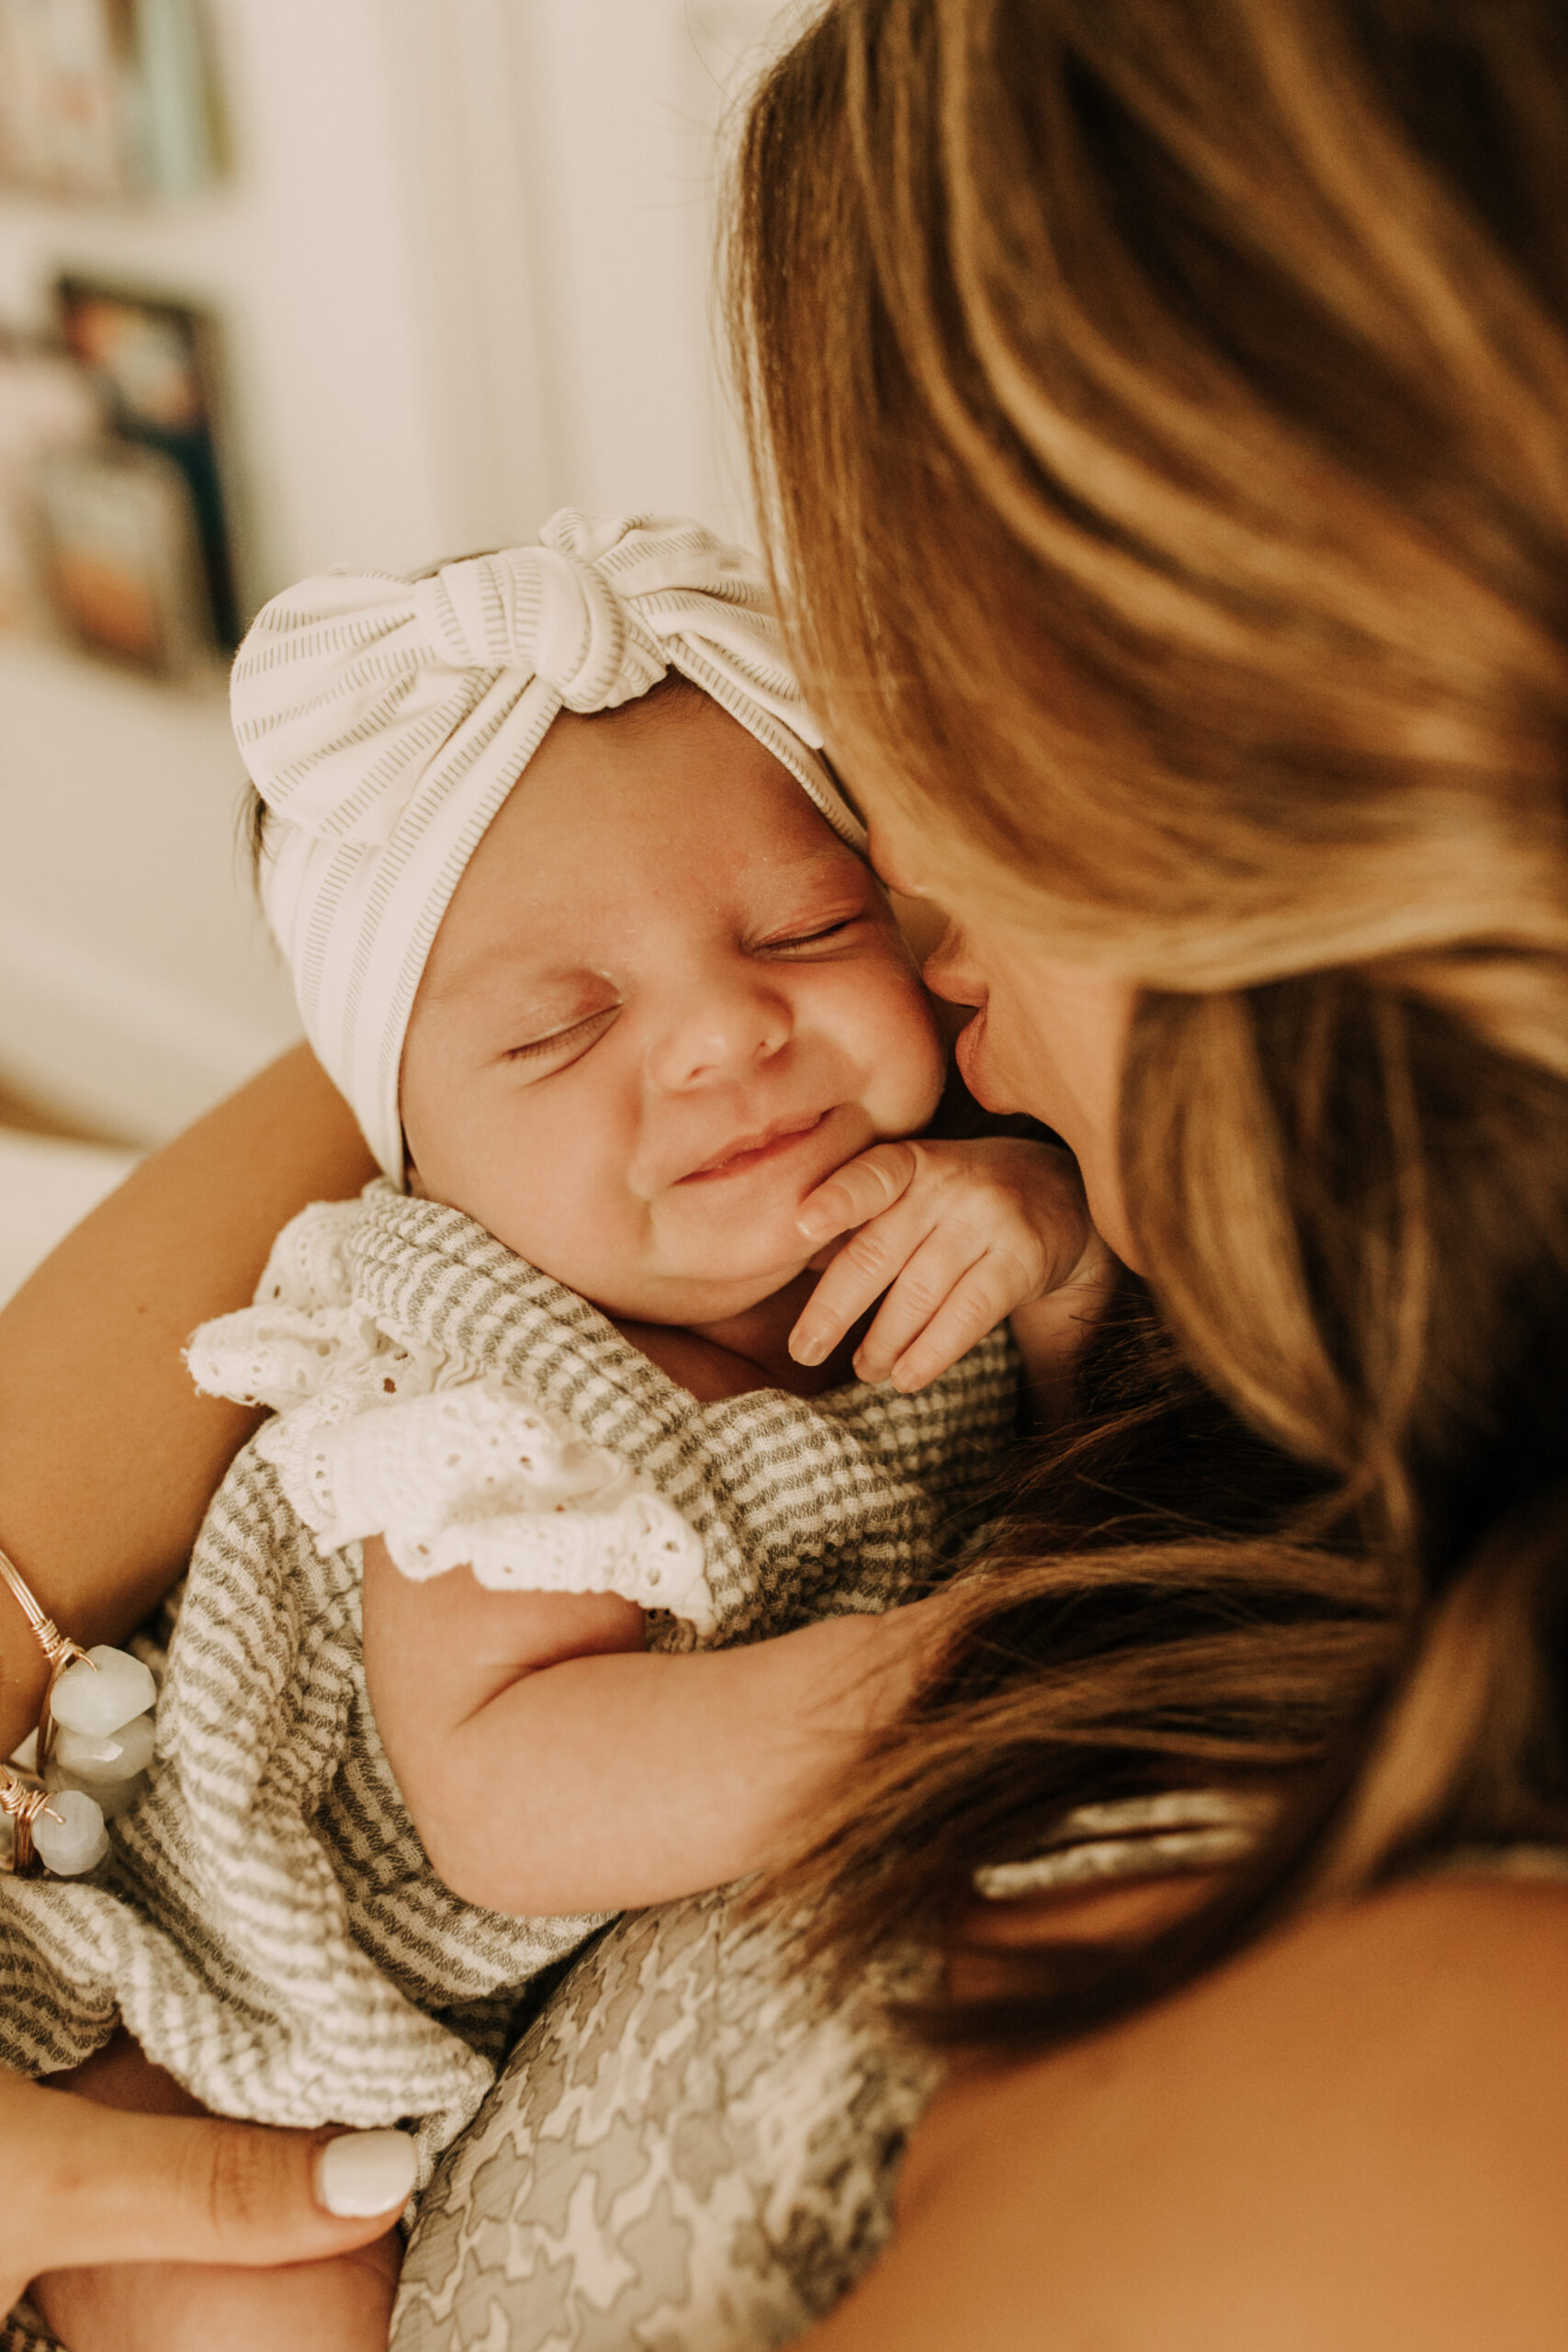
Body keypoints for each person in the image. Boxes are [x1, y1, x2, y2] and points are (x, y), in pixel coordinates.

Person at [5, 0, 1568, 2344]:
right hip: (253, 2012)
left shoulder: (1424, 2075)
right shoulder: (485, 1314)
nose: (740, 1025)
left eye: (842, 829)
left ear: (1222, 775)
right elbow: (435, 1084)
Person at [2, 511, 1098, 2352]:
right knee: (267, 2289)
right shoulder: (474, 1365)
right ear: (407, 1149)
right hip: (209, 2006)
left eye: (800, 926)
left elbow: (1084, 1454)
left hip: (435, 2016)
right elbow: (510, 1789)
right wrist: (950, 1674)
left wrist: (1052, 1260)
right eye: (566, 1023)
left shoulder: (933, 1204)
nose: (720, 1036)